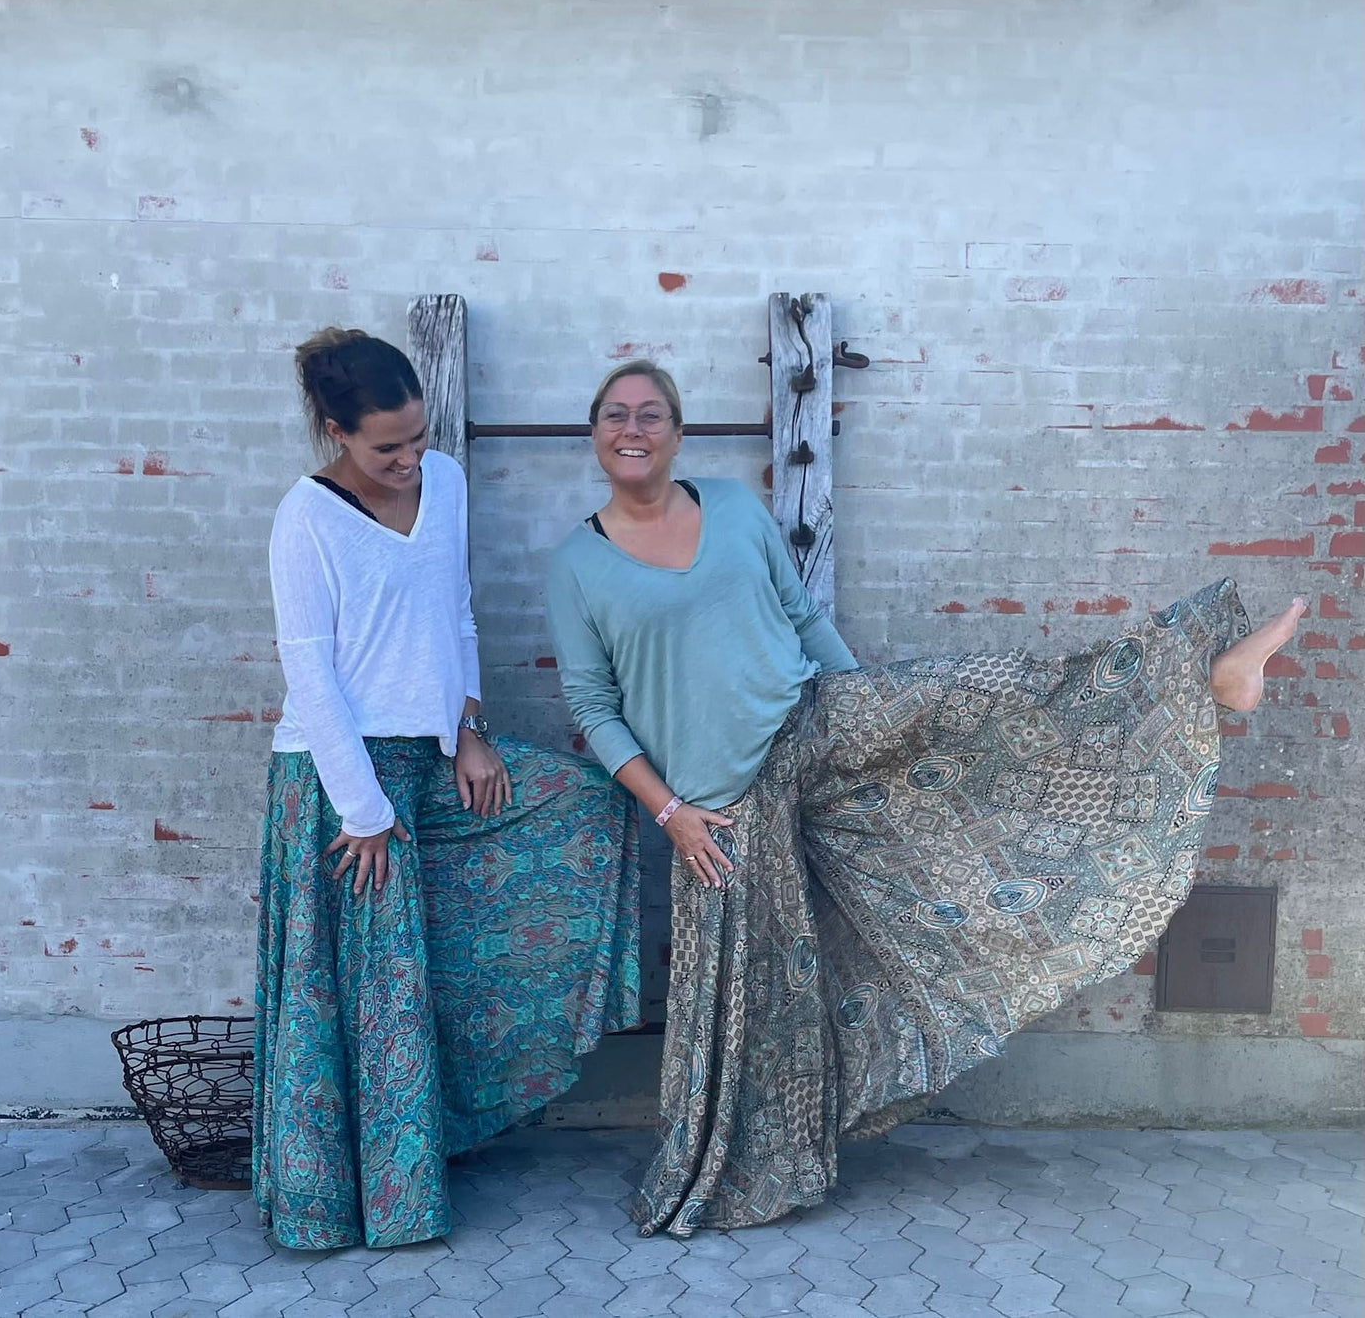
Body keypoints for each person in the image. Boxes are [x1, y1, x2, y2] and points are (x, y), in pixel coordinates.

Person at [545, 358, 1305, 1239]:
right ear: (594, 433)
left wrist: (865, 705)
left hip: (813, 724)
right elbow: (593, 708)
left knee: (982, 703)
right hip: (718, 806)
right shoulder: (579, 564)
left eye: (650, 414)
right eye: (614, 414)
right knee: (764, 998)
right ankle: (758, 1168)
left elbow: (802, 617)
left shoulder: (735, 510)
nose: (632, 428)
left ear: (677, 433)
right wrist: (668, 812)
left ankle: (1204, 674)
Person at [253, 328, 640, 1250]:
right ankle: (355, 1207)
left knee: (592, 799)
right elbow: (311, 677)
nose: (408, 458)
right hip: (339, 781)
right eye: (387, 445)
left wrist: (468, 731)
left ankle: (445, 1138)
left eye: (419, 436)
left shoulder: (447, 483)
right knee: (377, 995)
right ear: (338, 431)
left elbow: (454, 616)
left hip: (433, 757)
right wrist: (365, 812)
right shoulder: (304, 519)